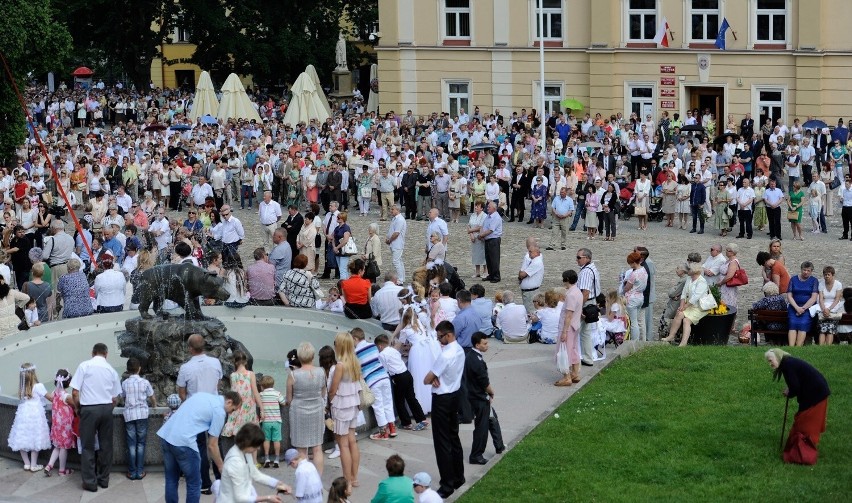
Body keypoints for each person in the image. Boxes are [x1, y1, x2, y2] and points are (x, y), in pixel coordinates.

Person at [157, 391, 242, 503]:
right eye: (233, 410)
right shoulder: (219, 411)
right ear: (229, 402)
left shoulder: (202, 395)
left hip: (166, 436)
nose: (231, 413)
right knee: (194, 483)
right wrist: (221, 466)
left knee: (171, 479)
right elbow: (212, 445)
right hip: (184, 443)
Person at [69, 343, 122, 492]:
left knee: (87, 446)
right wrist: (108, 409)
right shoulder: (111, 370)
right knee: (106, 446)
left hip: (89, 409)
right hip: (106, 408)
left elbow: (74, 392)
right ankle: (104, 479)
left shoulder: (84, 366)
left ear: (92, 353)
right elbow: (115, 397)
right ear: (106, 354)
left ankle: (90, 482)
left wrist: (79, 407)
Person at [177, 333, 224, 494]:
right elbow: (218, 383)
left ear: (190, 348)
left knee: (200, 447)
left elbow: (181, 393)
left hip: (196, 410)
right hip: (214, 407)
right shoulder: (215, 362)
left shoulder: (185, 368)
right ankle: (221, 479)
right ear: (203, 346)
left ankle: (205, 484)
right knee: (216, 443)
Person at [765, 349, 830, 465]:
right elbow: (796, 384)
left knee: (805, 422)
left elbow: (795, 387)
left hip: (815, 395)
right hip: (816, 392)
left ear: (778, 357)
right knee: (803, 420)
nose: (770, 364)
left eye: (771, 360)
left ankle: (804, 450)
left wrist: (789, 393)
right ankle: (801, 446)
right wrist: (791, 390)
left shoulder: (788, 365)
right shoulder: (788, 363)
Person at [425, 320, 466, 499]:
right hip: (454, 394)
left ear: (448, 335)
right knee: (453, 437)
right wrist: (436, 376)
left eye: (440, 336)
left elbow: (426, 379)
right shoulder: (460, 350)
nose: (438, 339)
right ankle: (459, 476)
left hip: (442, 399)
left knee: (442, 442)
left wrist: (433, 376)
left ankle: (447, 484)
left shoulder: (446, 354)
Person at [215, 423, 291, 503]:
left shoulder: (244, 452)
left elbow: (255, 474)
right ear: (248, 443)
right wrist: (268, 498)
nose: (258, 448)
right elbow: (240, 498)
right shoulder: (235, 462)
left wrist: (278, 484)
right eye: (256, 445)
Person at [286, 342, 326, 475]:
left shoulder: (293, 375)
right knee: (317, 448)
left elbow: (289, 399)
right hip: (317, 410)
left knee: (301, 450)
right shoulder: (321, 372)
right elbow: (323, 394)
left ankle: (305, 478)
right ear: (313, 356)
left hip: (299, 413)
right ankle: (317, 480)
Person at [328, 332, 362, 487]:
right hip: (353, 403)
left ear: (339, 345)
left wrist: (330, 401)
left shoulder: (340, 366)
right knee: (352, 442)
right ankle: (354, 478)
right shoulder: (355, 362)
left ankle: (347, 481)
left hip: (341, 406)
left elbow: (333, 389)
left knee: (343, 445)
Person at [465, 332, 504, 465]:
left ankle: (499, 446)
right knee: (482, 427)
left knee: (492, 418)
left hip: (476, 395)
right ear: (477, 345)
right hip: (479, 397)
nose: (487, 345)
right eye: (485, 343)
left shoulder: (470, 356)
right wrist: (491, 393)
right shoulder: (477, 361)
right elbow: (484, 382)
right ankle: (476, 455)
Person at [375, 334, 428, 432]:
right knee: (411, 398)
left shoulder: (382, 355)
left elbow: (385, 369)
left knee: (399, 401)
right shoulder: (393, 350)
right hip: (407, 374)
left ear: (379, 346)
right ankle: (422, 419)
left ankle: (406, 423)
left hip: (398, 377)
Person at [7, 363, 52, 472]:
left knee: (23, 438)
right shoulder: (38, 386)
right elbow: (51, 398)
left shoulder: (22, 388)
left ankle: (26, 463)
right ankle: (33, 464)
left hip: (23, 414)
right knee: (35, 438)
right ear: (33, 373)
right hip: (36, 414)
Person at [221, 350, 263, 457]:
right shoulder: (251, 374)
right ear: (245, 361)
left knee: (238, 434)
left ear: (234, 362)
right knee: (252, 435)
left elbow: (233, 393)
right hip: (249, 408)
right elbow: (255, 392)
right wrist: (262, 408)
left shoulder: (233, 376)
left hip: (237, 408)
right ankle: (254, 462)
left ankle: (238, 456)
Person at [121, 357, 155, 480]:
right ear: (139, 368)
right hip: (142, 415)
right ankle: (140, 472)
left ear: (127, 370)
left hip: (129, 416)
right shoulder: (145, 382)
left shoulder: (124, 383)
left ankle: (131, 472)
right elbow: (152, 396)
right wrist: (155, 406)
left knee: (131, 444)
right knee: (141, 443)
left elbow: (123, 398)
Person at [661, 262, 711, 347]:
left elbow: (695, 297)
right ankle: (671, 336)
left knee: (686, 320)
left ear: (694, 271)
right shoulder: (689, 279)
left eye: (689, 269)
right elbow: (684, 293)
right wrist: (681, 306)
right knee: (679, 313)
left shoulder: (701, 281)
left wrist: (685, 306)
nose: (688, 271)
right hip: (689, 305)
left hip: (700, 307)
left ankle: (683, 343)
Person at [44, 368, 75, 477]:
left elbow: (52, 399)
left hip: (56, 425)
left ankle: (49, 465)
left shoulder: (54, 393)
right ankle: (62, 470)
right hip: (65, 426)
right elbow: (76, 404)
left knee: (57, 446)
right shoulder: (66, 396)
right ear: (68, 383)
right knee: (63, 448)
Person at [576, 248, 600, 365]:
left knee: (575, 329)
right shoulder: (592, 268)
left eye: (579, 258)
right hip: (592, 301)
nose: (577, 260)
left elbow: (585, 292)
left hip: (586, 303)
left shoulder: (586, 272)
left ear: (587, 258)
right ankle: (587, 357)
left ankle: (576, 356)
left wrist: (579, 308)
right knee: (586, 332)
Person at [787, 261, 819, 346]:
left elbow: (813, 297)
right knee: (792, 323)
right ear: (801, 270)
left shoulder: (814, 281)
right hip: (794, 307)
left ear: (811, 271)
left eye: (808, 270)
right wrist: (797, 308)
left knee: (803, 323)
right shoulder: (793, 279)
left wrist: (803, 309)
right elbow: (789, 295)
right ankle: (791, 347)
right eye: (804, 270)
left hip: (808, 308)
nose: (806, 272)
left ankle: (798, 347)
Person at [258, 375, 286, 468]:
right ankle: (277, 460)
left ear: (262, 386)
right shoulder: (277, 393)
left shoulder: (261, 395)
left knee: (266, 440)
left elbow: (256, 402)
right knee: (276, 440)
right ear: (273, 384)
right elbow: (283, 402)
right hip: (276, 421)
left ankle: (267, 458)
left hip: (266, 421)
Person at [623, 251, 648, 342]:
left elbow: (627, 287)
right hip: (640, 297)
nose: (630, 265)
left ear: (634, 262)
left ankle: (634, 341)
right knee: (636, 321)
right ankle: (635, 340)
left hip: (632, 299)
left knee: (633, 322)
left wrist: (623, 288)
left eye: (630, 263)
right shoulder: (644, 270)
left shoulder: (634, 274)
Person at [817, 266, 843, 345]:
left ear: (833, 275)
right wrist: (824, 309)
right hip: (823, 306)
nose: (826, 276)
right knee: (822, 328)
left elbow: (837, 299)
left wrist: (829, 309)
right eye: (825, 275)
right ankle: (821, 347)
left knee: (830, 327)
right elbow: (821, 299)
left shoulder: (838, 284)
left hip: (834, 306)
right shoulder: (821, 284)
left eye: (828, 274)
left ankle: (828, 347)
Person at [518, 237, 544, 313]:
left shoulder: (536, 262)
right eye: (529, 252)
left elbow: (522, 274)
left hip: (531, 292)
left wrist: (521, 273)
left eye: (531, 252)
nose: (529, 254)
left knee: (531, 312)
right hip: (528, 292)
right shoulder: (533, 259)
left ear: (537, 252)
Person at [479, 201, 502, 282]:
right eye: (487, 207)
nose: (487, 208)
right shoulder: (488, 216)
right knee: (488, 258)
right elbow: (483, 226)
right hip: (488, 239)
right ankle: (491, 274)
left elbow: (491, 230)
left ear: (494, 208)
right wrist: (482, 234)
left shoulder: (496, 217)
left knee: (494, 258)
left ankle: (496, 276)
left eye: (489, 207)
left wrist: (481, 235)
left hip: (494, 239)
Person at [717, 243, 742, 311]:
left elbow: (729, 276)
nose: (726, 252)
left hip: (728, 287)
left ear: (732, 252)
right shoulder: (728, 260)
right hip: (724, 287)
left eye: (727, 250)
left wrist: (721, 283)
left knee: (728, 304)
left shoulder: (733, 262)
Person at [466, 202, 487, 278]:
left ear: (481, 208)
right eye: (475, 206)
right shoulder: (473, 215)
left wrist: (471, 230)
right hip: (473, 237)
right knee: (475, 254)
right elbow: (468, 225)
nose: (475, 208)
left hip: (481, 236)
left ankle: (485, 271)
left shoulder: (484, 216)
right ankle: (477, 271)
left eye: (477, 206)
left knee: (483, 253)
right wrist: (471, 234)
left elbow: (480, 227)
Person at [386, 204, 407, 281]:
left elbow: (396, 233)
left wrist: (389, 240)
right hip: (394, 243)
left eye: (392, 209)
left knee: (396, 262)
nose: (391, 211)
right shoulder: (395, 219)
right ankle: (402, 277)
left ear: (397, 210)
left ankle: (400, 279)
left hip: (397, 243)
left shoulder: (400, 220)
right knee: (399, 261)